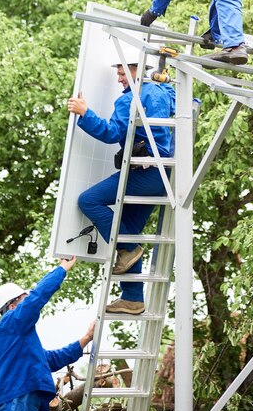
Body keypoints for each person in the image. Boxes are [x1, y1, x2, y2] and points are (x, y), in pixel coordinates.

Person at [67, 59, 175, 315]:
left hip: (144, 174)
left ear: (136, 69)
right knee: (129, 233)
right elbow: (178, 99)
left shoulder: (131, 98)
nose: (119, 79)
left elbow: (111, 132)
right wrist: (166, 79)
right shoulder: (163, 91)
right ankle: (133, 298)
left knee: (88, 201)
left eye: (122, 73)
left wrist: (85, 113)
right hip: (164, 175)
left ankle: (126, 250)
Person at [0, 256, 95, 411]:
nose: (28, 300)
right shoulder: (8, 325)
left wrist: (87, 337)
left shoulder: (19, 340)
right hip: (13, 400)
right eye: (24, 297)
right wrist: (62, 268)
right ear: (12, 306)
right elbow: (37, 297)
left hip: (24, 401)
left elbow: (51, 359)